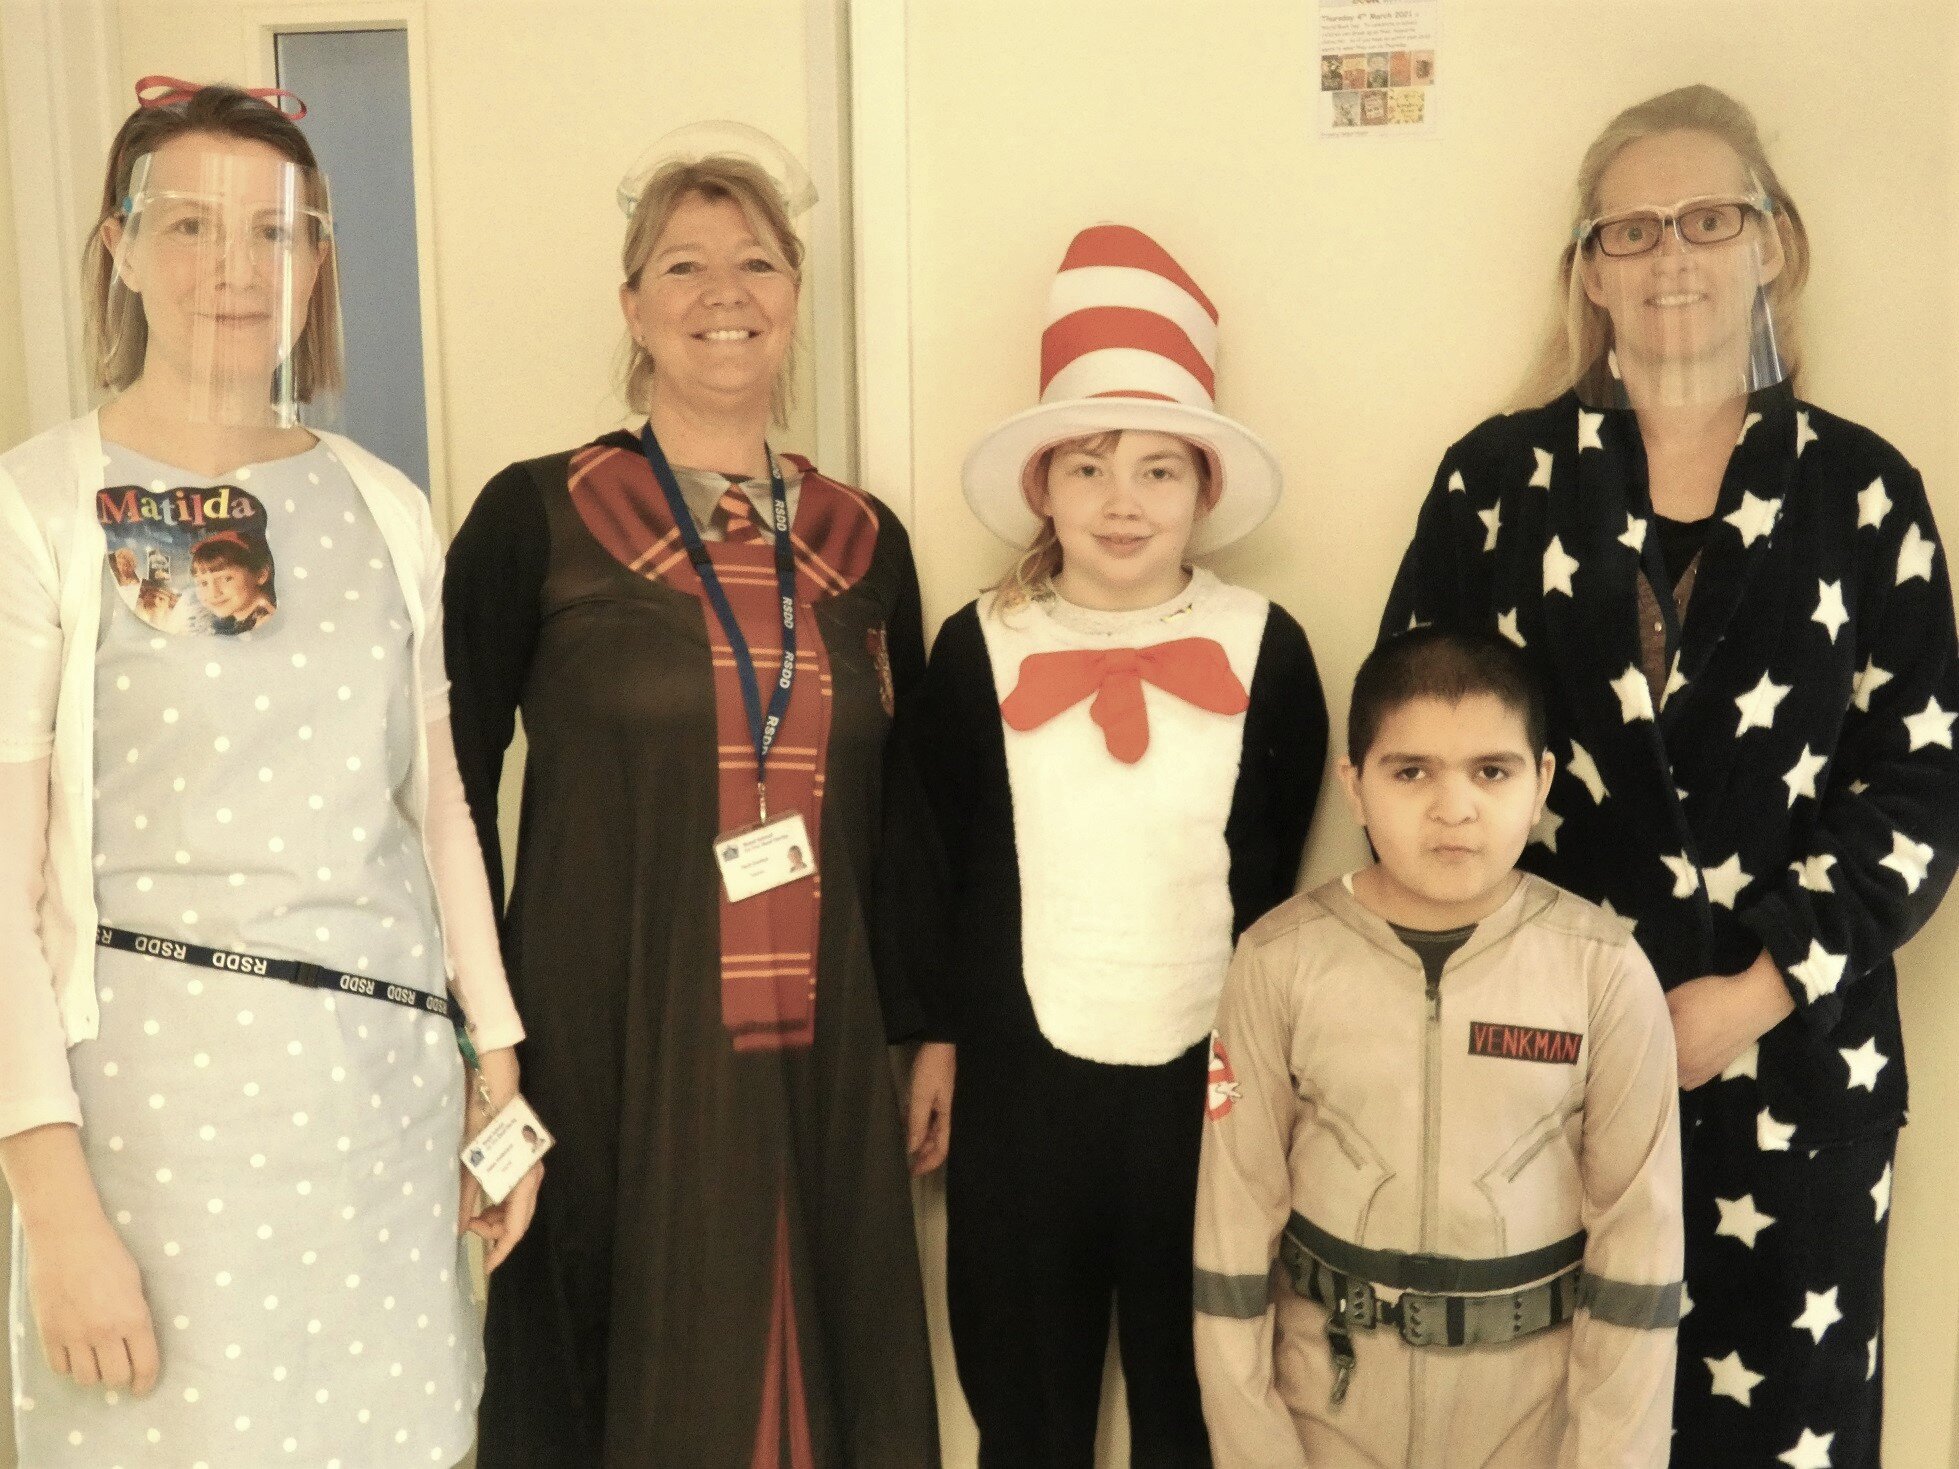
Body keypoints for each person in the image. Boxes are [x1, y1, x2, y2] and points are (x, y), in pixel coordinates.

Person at [1381, 84, 1959, 1465]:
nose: (1670, 256)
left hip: (1796, 1074)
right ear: (1586, 268)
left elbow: (1920, 791)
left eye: (1707, 219)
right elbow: (1421, 763)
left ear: (1772, 243)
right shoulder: (1494, 481)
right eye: (1629, 231)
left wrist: (1749, 991)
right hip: (1538, 1075)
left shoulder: (1861, 493)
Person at [0, 81, 538, 1468]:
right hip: (154, 1137)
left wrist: (497, 1066)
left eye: (277, 232)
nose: (236, 269)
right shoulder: (39, 506)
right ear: (118, 246)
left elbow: (438, 816)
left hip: (385, 1106)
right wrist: (52, 1200)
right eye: (189, 225)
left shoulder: (382, 503)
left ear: (318, 262)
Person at [443, 132, 941, 1466]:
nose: (723, 290)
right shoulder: (533, 516)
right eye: (683, 264)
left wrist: (928, 1028)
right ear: (633, 306)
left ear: (791, 295)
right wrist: (472, 1037)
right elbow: (439, 790)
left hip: (822, 1031)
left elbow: (906, 811)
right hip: (606, 1014)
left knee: (822, 1336)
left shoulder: (867, 540)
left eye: (755, 261)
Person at [892, 223, 1327, 1466]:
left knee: (1201, 1384)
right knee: (1026, 1392)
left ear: (1204, 488)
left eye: (1155, 470)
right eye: (1086, 468)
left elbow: (1271, 870)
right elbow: (938, 852)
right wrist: (938, 1037)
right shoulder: (979, 642)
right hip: (1022, 1074)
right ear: (1042, 489)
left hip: (1209, 1079)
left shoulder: (1268, 645)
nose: (1121, 500)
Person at [1193, 627, 1683, 1466]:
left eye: (1491, 771)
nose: (1452, 808)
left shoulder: (1602, 969)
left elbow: (1638, 1257)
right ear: (1353, 785)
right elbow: (1231, 1238)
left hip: (1533, 1422)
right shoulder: (1277, 960)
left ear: (1540, 785)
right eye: (1409, 771)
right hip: (1328, 1417)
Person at [189, 529, 277, 633]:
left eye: (227, 579)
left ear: (261, 575)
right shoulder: (233, 624)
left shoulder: (266, 624)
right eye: (203, 583)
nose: (214, 593)